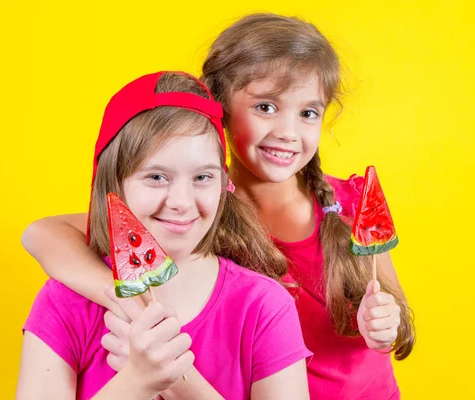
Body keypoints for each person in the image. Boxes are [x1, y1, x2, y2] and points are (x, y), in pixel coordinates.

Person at [22, 13, 415, 400]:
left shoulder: (348, 203)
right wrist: (124, 300)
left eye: (308, 113)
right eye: (266, 107)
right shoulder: (197, 213)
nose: (288, 132)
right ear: (220, 108)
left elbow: (395, 316)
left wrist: (386, 326)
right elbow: (42, 233)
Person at [16, 71, 311, 400]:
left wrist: (179, 381)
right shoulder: (64, 302)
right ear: (112, 185)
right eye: (156, 177)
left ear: (224, 183)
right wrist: (136, 383)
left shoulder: (265, 307)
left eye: (202, 177)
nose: (182, 203)